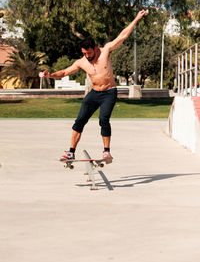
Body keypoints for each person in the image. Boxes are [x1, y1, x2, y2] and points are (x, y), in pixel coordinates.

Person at [40, 10, 147, 160]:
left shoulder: (106, 51)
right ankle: (71, 152)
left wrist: (136, 18)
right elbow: (64, 72)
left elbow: (123, 35)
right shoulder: (82, 62)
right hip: (94, 93)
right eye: (84, 53)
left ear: (95, 49)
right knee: (79, 121)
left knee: (103, 119)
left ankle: (106, 151)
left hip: (109, 92)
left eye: (89, 53)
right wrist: (50, 74)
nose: (87, 56)